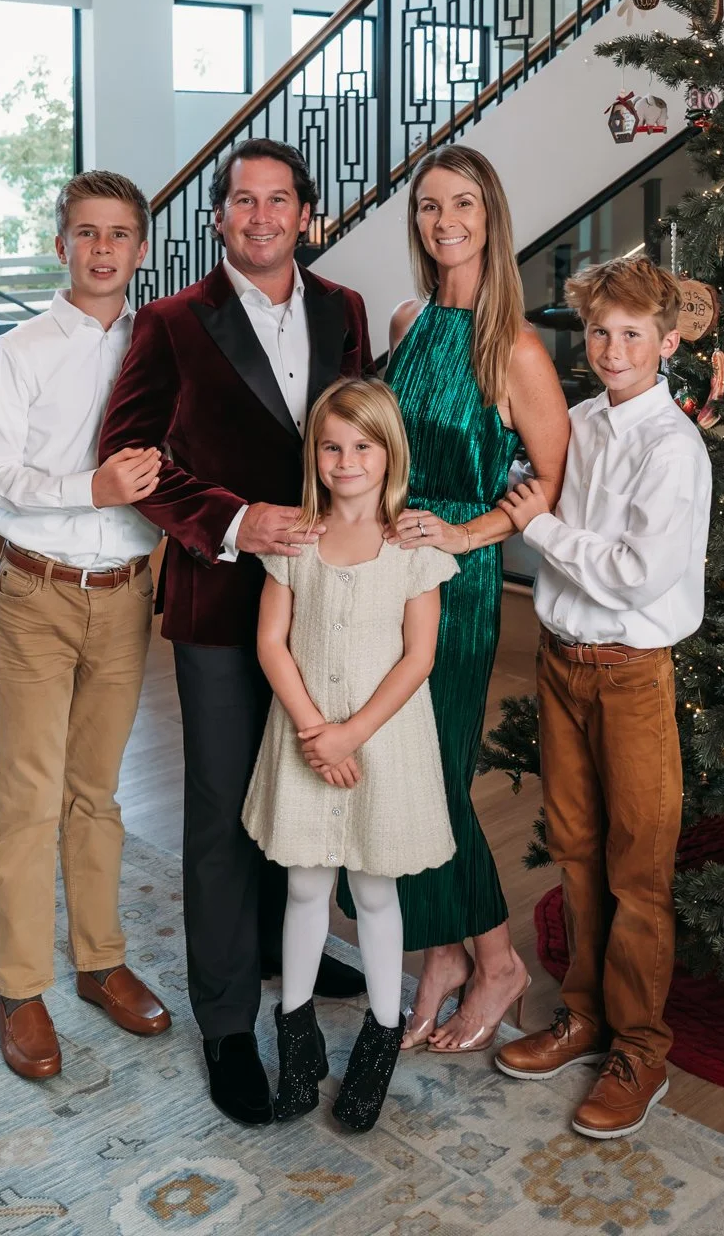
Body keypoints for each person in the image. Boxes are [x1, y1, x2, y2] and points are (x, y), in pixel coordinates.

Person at [98, 138, 371, 1127]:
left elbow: (362, 441)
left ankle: (276, 940)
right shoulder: (172, 322)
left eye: (279, 200)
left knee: (304, 779)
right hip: (220, 600)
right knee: (219, 808)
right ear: (217, 218)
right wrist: (230, 520)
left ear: (306, 214)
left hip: (325, 600)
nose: (260, 215)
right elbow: (125, 453)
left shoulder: (343, 309)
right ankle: (224, 1021)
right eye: (241, 200)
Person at [494, 256, 710, 1139]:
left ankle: (640, 1048)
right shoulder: (576, 421)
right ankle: (583, 1016)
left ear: (665, 343)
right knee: (575, 849)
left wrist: (535, 526)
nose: (612, 349)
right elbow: (525, 467)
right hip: (558, 661)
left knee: (638, 867)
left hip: (629, 673)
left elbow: (631, 577)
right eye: (598, 333)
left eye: (631, 335)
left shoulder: (673, 449)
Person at [0, 169, 171, 1082]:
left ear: (140, 248)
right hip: (36, 598)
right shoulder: (19, 351)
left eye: (120, 234)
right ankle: (20, 985)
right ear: (62, 245)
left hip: (127, 595)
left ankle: (99, 960)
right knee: (27, 796)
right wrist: (84, 490)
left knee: (95, 791)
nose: (102, 249)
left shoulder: (163, 348)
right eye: (86, 233)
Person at [383, 145, 570, 1052]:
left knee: (434, 780)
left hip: (454, 589)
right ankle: (443, 954)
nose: (443, 220)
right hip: (382, 575)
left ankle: (495, 958)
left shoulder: (516, 348)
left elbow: (553, 484)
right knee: (394, 777)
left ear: (490, 217)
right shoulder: (410, 319)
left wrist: (462, 534)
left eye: (461, 203)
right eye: (427, 206)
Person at [244, 378, 460, 1133]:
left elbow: (418, 657)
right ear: (315, 455)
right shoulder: (296, 540)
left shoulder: (410, 548)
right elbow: (271, 640)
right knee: (305, 887)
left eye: (361, 446)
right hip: (305, 736)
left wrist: (350, 734)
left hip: (383, 745)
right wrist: (314, 730)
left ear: (387, 453)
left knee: (373, 892)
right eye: (331, 447)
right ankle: (297, 1041)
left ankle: (377, 1041)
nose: (345, 460)